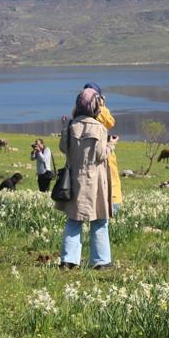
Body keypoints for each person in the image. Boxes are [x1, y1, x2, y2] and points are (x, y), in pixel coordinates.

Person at [56, 87, 117, 270]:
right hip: (94, 181)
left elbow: (63, 149)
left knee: (74, 220)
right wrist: (111, 145)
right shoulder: (99, 128)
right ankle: (101, 261)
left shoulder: (71, 126)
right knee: (99, 220)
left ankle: (69, 260)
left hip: (74, 179)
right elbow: (100, 155)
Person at [83, 83, 123, 217]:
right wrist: (102, 106)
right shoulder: (98, 111)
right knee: (111, 180)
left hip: (85, 152)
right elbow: (110, 122)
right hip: (102, 150)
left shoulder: (79, 114)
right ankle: (113, 208)